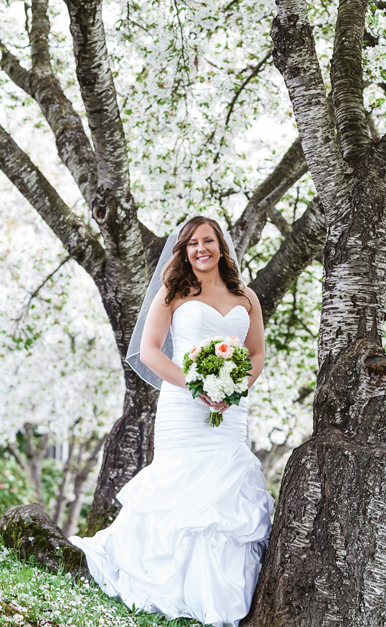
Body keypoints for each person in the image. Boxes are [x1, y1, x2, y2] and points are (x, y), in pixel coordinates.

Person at [70, 216, 275, 627]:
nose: (202, 249)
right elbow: (148, 352)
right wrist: (196, 386)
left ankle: (217, 597)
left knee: (225, 495)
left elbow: (256, 354)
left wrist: (233, 388)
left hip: (230, 412)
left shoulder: (246, 296)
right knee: (178, 487)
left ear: (222, 247)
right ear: (183, 251)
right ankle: (163, 583)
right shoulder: (173, 293)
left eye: (209, 241)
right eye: (193, 243)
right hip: (184, 408)